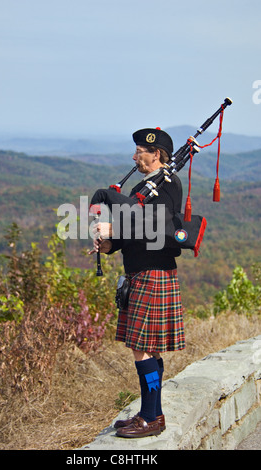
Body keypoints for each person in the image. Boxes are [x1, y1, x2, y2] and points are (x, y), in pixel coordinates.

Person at [89, 128, 185, 438]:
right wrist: (107, 243)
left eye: (140, 151)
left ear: (156, 153)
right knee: (148, 349)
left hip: (154, 273)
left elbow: (151, 223)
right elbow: (131, 230)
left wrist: (107, 197)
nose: (134, 156)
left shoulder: (168, 184)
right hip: (139, 273)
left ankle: (150, 418)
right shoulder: (143, 189)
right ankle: (150, 413)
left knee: (141, 349)